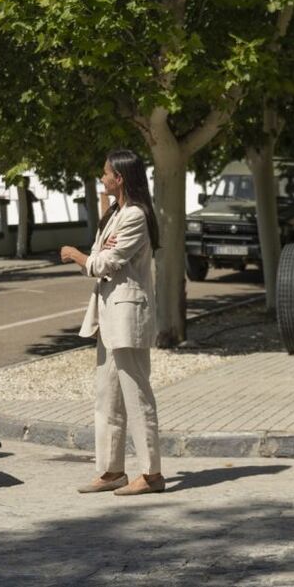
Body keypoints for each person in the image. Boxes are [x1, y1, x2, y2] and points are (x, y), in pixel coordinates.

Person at [60, 150, 165, 496]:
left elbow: (107, 261)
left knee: (136, 396)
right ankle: (111, 470)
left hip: (128, 315)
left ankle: (151, 474)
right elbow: (104, 255)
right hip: (109, 316)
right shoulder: (115, 213)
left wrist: (78, 256)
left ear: (119, 178)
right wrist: (92, 258)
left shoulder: (135, 215)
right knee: (107, 396)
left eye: (106, 173)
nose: (102, 178)